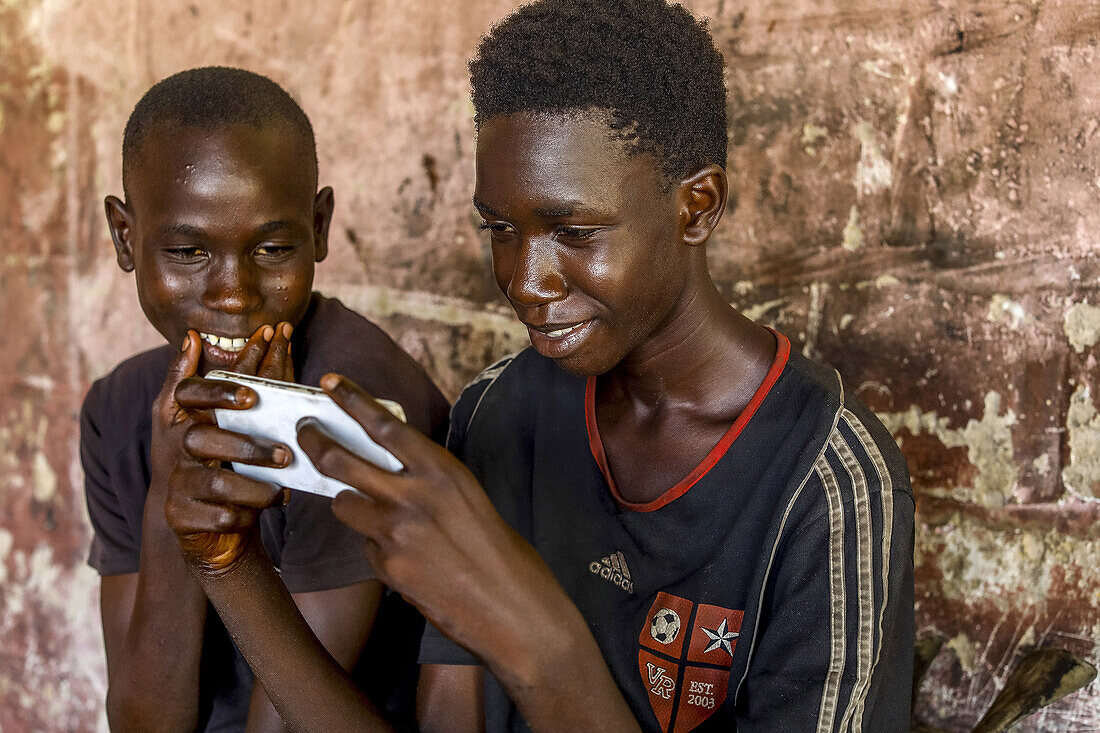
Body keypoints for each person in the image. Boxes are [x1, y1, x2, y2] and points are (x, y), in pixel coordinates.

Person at [163, 1, 915, 731]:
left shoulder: (828, 481)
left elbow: (537, 655)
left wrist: (541, 647)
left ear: (697, 207)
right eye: (500, 229)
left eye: (576, 231)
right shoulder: (500, 413)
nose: (526, 280)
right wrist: (232, 569)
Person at [81, 66, 449, 731]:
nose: (233, 293)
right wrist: (173, 493)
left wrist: (223, 547)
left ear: (320, 227)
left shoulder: (353, 403)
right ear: (125, 237)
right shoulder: (118, 407)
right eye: (188, 250)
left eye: (274, 247)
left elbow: (286, 722)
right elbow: (142, 719)